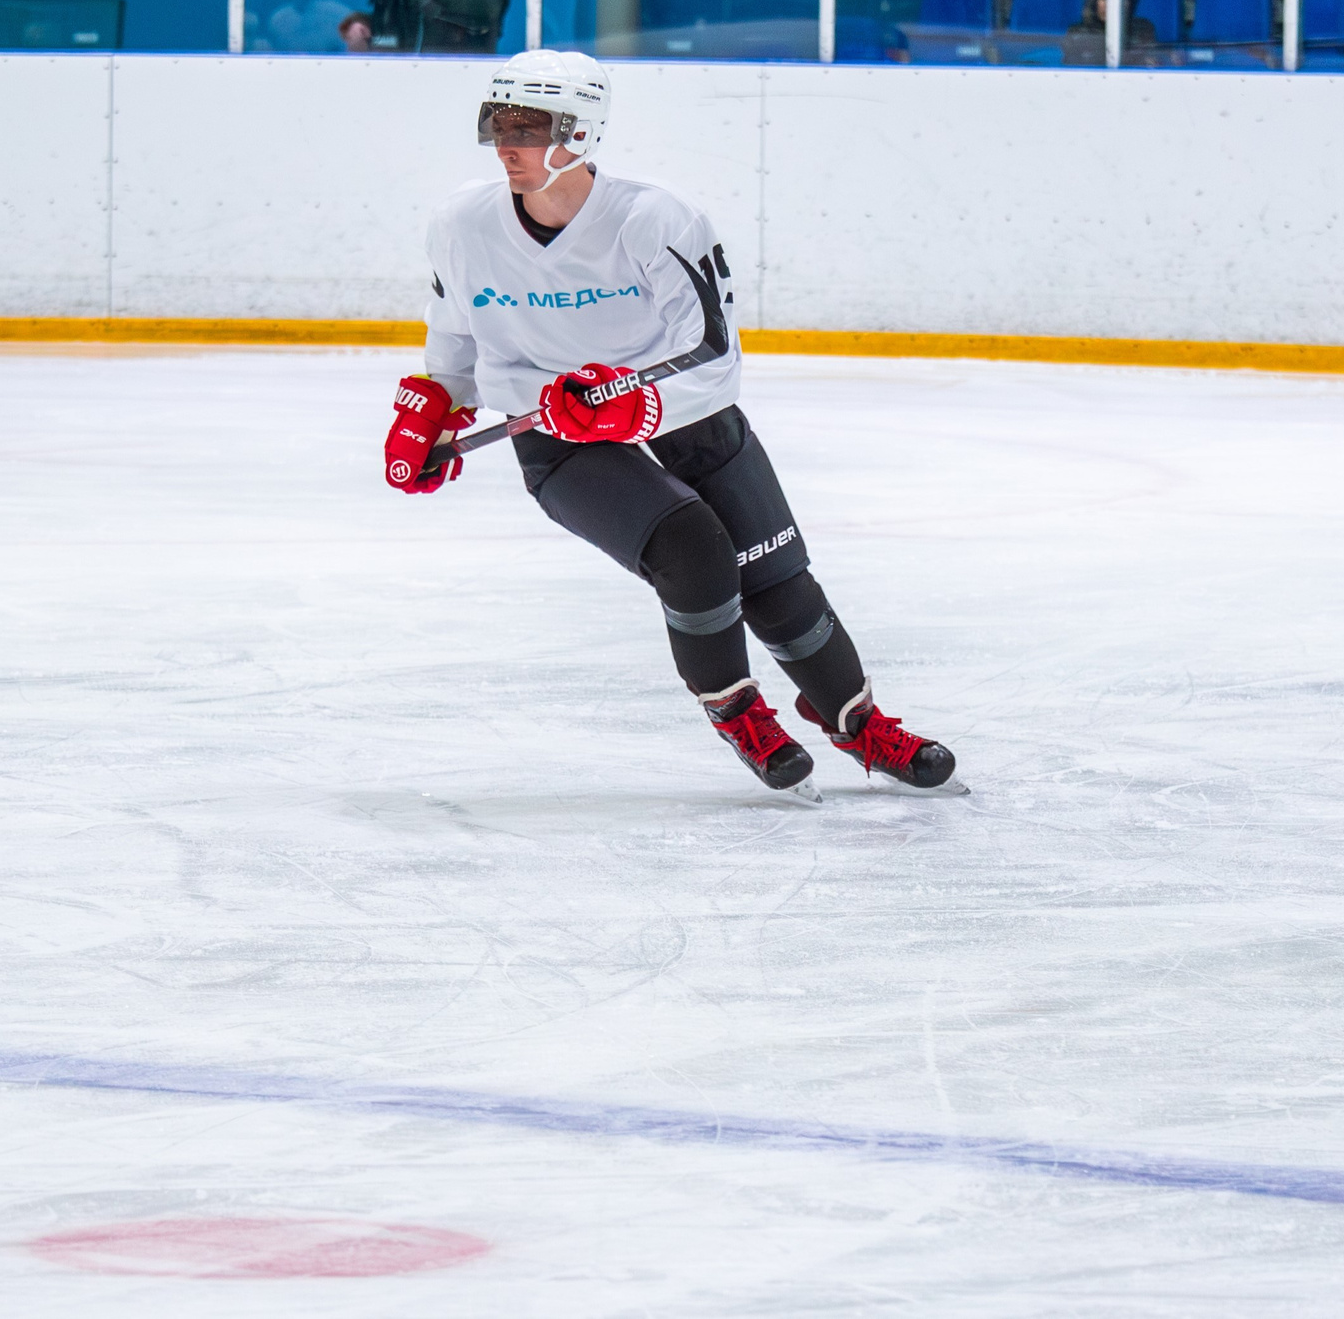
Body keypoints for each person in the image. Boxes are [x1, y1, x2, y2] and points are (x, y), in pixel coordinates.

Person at [378, 50, 961, 801]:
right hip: (557, 435)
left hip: (682, 410)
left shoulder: (656, 219)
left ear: (581, 132)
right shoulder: (461, 225)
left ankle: (856, 721)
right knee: (692, 547)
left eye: (530, 125)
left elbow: (715, 353)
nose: (507, 143)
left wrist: (634, 401)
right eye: (498, 122)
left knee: (776, 581)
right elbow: (457, 333)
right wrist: (436, 407)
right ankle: (736, 708)